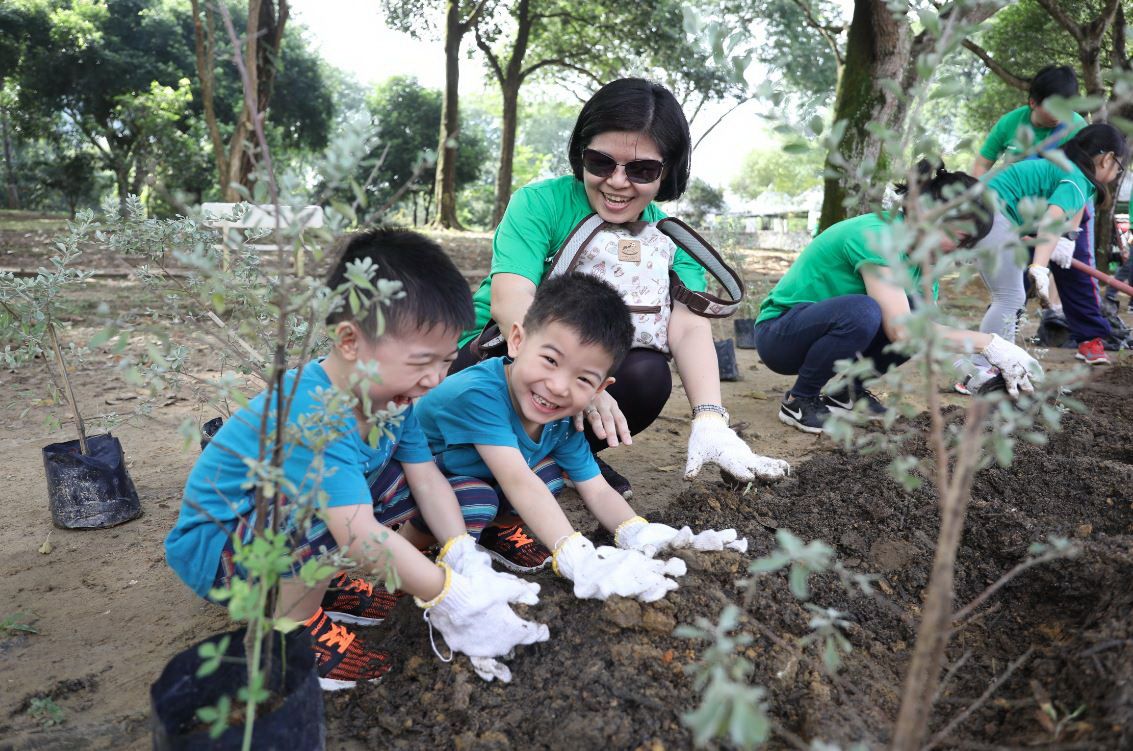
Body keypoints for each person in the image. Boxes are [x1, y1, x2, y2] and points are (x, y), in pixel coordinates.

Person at [165, 229, 548, 691]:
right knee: (330, 519)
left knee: (435, 483)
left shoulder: (392, 400)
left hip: (280, 525)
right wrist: (450, 596)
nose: (434, 379)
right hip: (220, 547)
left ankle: (320, 585)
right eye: (421, 361)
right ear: (350, 341)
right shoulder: (314, 416)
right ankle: (295, 635)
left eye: (446, 361)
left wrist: (460, 553)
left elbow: (425, 480)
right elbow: (356, 533)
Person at [452, 77, 788, 508]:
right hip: (498, 361)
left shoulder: (671, 240)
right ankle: (491, 468)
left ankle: (561, 458)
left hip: (585, 383)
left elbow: (687, 328)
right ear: (581, 155)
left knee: (648, 375)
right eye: (601, 162)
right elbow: (511, 301)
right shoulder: (540, 203)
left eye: (642, 170)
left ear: (668, 171)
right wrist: (579, 382)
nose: (618, 182)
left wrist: (710, 418)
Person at [415, 273, 750, 593]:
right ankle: (406, 568)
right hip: (404, 485)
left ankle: (494, 533)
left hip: (468, 470)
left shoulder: (562, 416)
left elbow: (598, 491)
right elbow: (517, 481)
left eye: (583, 379)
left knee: (549, 477)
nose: (559, 387)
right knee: (477, 499)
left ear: (600, 389)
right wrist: (574, 553)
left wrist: (639, 533)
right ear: (516, 341)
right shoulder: (480, 393)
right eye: (549, 359)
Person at [753, 164, 1043, 433]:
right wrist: (990, 343)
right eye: (957, 236)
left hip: (822, 330)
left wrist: (976, 372)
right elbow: (901, 330)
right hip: (780, 335)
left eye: (966, 243)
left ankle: (848, 393)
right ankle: (799, 400)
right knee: (864, 312)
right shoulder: (880, 235)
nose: (958, 249)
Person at [969, 123, 1128, 377]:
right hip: (994, 213)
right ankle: (982, 370)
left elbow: (1069, 214)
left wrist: (1068, 239)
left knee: (1011, 298)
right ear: (1107, 158)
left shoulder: (1069, 170)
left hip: (988, 209)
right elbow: (1052, 221)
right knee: (1009, 297)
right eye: (1119, 167)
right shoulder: (1077, 179)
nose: (1117, 174)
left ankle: (997, 366)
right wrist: (1040, 268)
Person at [970, 66, 1087, 178]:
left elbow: (1087, 174)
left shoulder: (1077, 127)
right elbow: (981, 165)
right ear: (1033, 103)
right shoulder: (1008, 123)